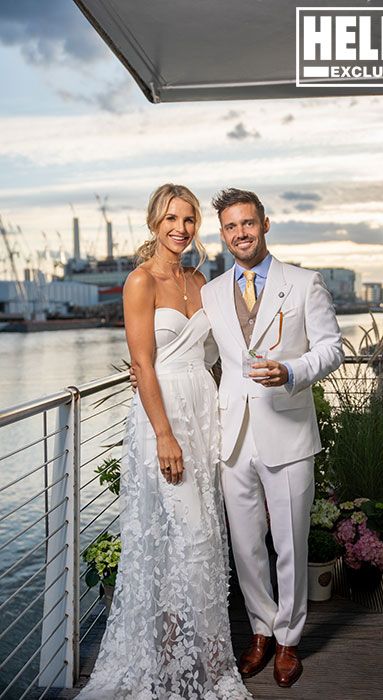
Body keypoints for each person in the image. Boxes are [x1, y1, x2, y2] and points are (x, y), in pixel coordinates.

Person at [132, 187, 344, 688]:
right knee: (246, 545)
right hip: (226, 435)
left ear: (265, 225)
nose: (240, 233)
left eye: (248, 223)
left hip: (287, 430)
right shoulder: (210, 289)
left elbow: (333, 349)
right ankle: (261, 631)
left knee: (289, 542)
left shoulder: (305, 283)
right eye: (230, 226)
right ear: (222, 233)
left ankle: (290, 639)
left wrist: (292, 371)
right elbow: (190, 354)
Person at [77, 184, 251, 700]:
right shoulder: (140, 282)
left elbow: (218, 357)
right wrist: (164, 434)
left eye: (190, 219)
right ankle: (192, 665)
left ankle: (196, 652)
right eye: (172, 218)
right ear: (154, 222)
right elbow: (143, 365)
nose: (181, 228)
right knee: (187, 536)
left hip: (203, 412)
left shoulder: (200, 281)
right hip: (165, 419)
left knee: (202, 539)